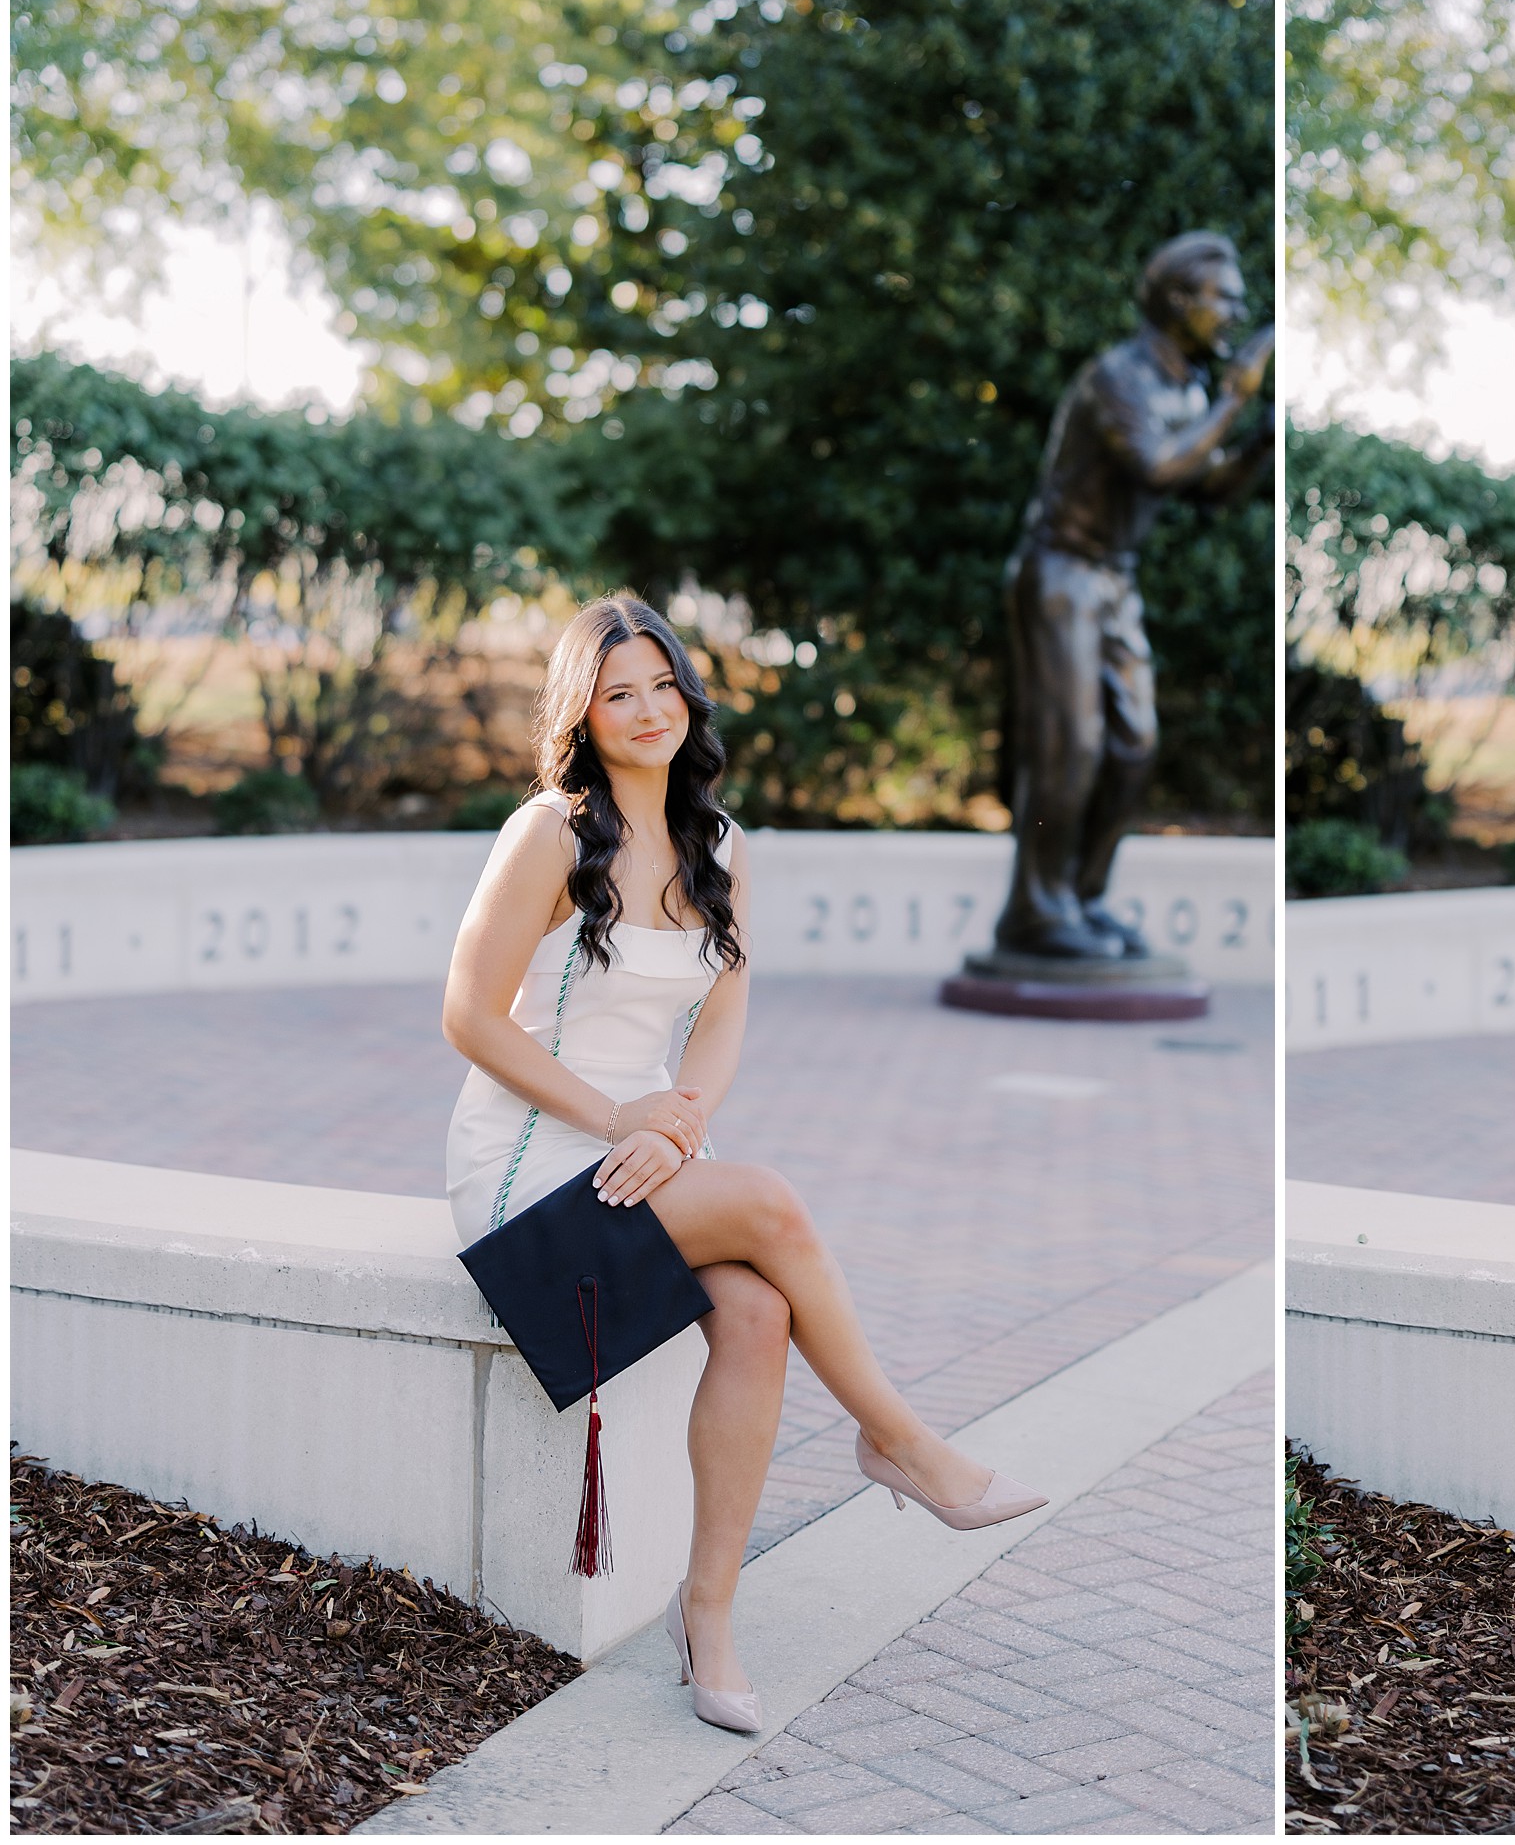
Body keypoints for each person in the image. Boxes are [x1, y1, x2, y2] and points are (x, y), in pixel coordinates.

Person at [442, 595, 1044, 1736]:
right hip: (529, 1163)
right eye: (619, 692)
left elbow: (722, 1019)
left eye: (662, 684)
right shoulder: (548, 834)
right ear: (583, 711)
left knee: (760, 1315)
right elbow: (469, 1016)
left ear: (688, 695)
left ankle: (708, 1613)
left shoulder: (720, 845)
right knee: (769, 1200)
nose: (647, 709)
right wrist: (620, 1111)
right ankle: (901, 1442)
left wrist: (672, 1124)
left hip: (647, 1151)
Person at [993, 229, 1275, 959]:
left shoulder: (1186, 386)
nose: (1239, 312)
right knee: (1071, 748)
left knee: (1133, 747)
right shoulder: (1119, 376)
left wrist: (1259, 439)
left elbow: (1205, 487)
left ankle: (1081, 901)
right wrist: (1238, 399)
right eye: (1227, 298)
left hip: (1115, 579)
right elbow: (1155, 466)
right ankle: (1034, 909)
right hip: (1061, 572)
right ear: (1179, 299)